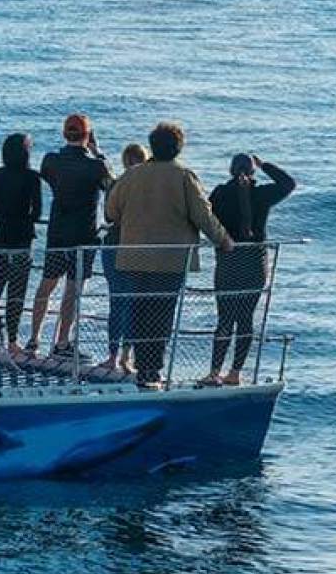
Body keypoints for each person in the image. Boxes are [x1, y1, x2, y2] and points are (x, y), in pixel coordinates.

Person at [105, 121, 232, 390]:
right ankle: (153, 371)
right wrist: (223, 240)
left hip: (134, 257)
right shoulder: (184, 176)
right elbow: (203, 216)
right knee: (162, 314)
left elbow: (111, 212)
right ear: (178, 148)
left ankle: (142, 370)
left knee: (139, 312)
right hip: (171, 260)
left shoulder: (132, 176)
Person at [202, 154, 296, 386]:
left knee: (225, 318)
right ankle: (235, 373)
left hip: (229, 261)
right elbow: (288, 183)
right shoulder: (263, 194)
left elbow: (205, 219)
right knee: (245, 318)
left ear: (231, 170)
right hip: (255, 263)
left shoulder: (220, 194)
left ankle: (214, 373)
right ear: (252, 171)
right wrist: (265, 165)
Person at [28, 113, 114, 359]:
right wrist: (98, 153)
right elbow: (111, 186)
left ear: (65, 134)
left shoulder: (51, 161)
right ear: (88, 136)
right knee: (73, 289)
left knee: (46, 285)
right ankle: (62, 342)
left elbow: (48, 176)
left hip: (57, 233)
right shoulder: (96, 166)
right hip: (85, 235)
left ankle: (34, 339)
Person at [0, 133, 42, 354]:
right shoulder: (31, 177)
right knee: (17, 293)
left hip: (1, 236)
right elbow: (37, 212)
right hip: (22, 238)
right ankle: (12, 340)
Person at [98, 142, 148, 373]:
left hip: (113, 246)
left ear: (126, 162)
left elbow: (109, 218)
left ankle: (111, 355)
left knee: (116, 301)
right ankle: (127, 357)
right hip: (137, 248)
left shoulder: (117, 185)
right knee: (133, 303)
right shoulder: (149, 190)